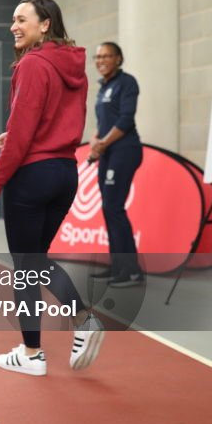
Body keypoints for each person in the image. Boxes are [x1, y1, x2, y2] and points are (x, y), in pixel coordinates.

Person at [0, 0, 104, 376]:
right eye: (12, 19)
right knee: (36, 259)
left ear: (45, 24)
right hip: (64, 171)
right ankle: (83, 320)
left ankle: (31, 354)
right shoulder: (72, 65)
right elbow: (47, 120)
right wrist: (13, 133)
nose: (13, 26)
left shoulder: (32, 64)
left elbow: (25, 132)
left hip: (32, 176)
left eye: (21, 19)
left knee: (25, 267)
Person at [87, 41, 144, 287]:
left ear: (118, 59)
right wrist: (96, 138)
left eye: (107, 56)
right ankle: (117, 266)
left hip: (125, 150)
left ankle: (132, 272)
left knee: (115, 208)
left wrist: (102, 144)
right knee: (109, 209)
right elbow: (105, 121)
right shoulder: (103, 86)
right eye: (98, 57)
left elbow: (125, 120)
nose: (101, 60)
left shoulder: (127, 82)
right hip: (108, 151)